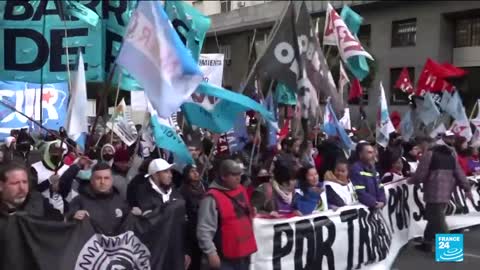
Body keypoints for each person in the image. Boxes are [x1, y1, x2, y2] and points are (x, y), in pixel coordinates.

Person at [408, 139, 473, 252]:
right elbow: (460, 174)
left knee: (439, 222)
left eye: (420, 147)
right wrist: (467, 189)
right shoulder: (451, 155)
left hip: (433, 193)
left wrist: (410, 180)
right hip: (446, 193)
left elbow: (420, 176)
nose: (420, 150)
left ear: (425, 145)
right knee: (434, 218)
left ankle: (451, 251)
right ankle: (427, 243)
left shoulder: (429, 155)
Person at [197, 159, 257, 270]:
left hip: (244, 252)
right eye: (234, 175)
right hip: (225, 257)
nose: (238, 178)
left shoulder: (241, 189)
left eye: (239, 174)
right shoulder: (211, 198)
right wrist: (211, 252)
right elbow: (204, 229)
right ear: (224, 176)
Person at [68, 162, 140, 235]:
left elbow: (130, 228)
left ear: (111, 181)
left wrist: (139, 216)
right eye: (98, 178)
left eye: (106, 178)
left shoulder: (121, 201)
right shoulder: (79, 201)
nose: (102, 182)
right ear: (91, 180)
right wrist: (73, 218)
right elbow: (66, 225)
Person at [31, 140, 76, 214]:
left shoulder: (67, 169)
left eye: (60, 152)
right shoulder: (35, 168)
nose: (57, 154)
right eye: (54, 151)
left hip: (61, 212)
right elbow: (32, 191)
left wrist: (60, 186)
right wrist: (48, 182)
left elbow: (70, 193)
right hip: (39, 210)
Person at [179, 165, 206, 270]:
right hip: (191, 228)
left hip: (204, 225)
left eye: (196, 171)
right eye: (192, 171)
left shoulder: (204, 186)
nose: (195, 173)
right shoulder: (183, 191)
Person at [350, 142, 386, 209]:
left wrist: (382, 201)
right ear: (360, 154)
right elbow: (359, 192)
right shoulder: (356, 169)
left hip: (376, 208)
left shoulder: (373, 169)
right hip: (366, 210)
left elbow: (381, 187)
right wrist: (374, 203)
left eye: (373, 152)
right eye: (369, 152)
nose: (373, 155)